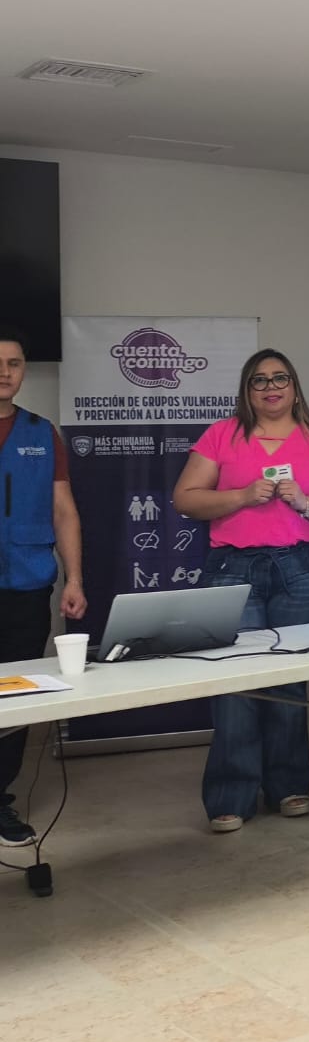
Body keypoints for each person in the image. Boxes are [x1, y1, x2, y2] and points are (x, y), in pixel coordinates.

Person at [174, 349, 309, 832]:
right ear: (246, 389)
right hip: (232, 568)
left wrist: (306, 503)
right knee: (236, 679)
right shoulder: (222, 435)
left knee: (288, 679)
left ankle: (289, 784)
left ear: (294, 387)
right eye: (259, 380)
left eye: (280, 378)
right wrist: (241, 496)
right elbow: (185, 499)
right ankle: (231, 794)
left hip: (301, 568)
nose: (271, 387)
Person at [0, 325, 87, 848]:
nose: (4, 372)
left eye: (13, 363)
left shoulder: (41, 432)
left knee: (14, 695)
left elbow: (63, 509)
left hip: (26, 585)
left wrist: (74, 577)